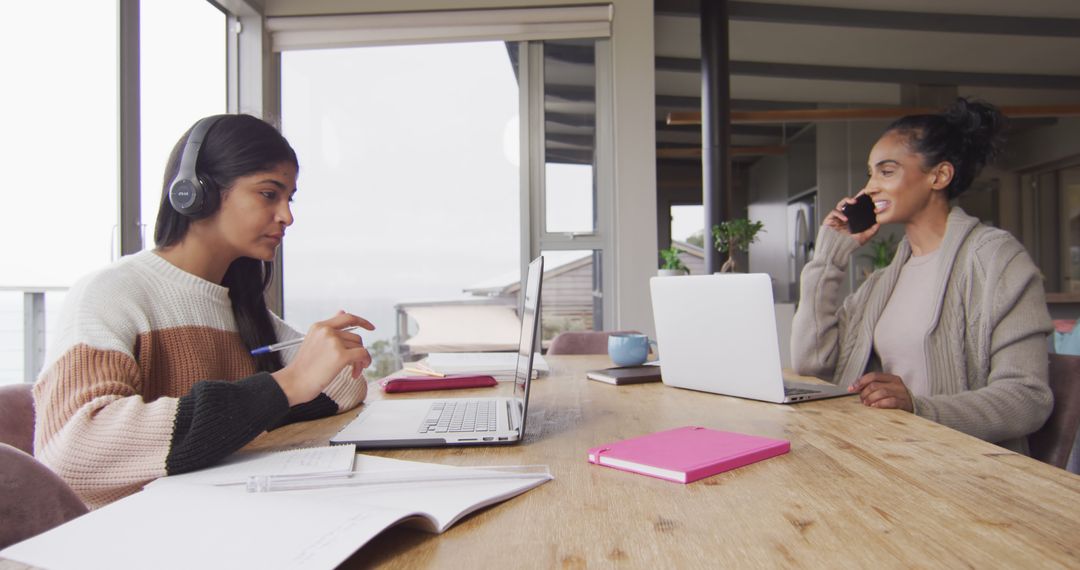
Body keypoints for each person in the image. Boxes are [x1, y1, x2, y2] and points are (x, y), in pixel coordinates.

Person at [33, 115, 374, 508]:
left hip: (223, 517)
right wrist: (282, 389)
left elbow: (345, 384)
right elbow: (77, 448)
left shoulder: (234, 305)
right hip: (135, 539)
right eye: (269, 194)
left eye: (289, 199)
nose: (287, 216)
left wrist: (266, 402)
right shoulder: (112, 293)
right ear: (196, 193)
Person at [791, 98, 1053, 454]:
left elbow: (1027, 398)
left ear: (939, 175)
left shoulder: (996, 260)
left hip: (966, 471)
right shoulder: (882, 282)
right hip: (886, 454)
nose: (869, 187)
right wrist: (828, 258)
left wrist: (919, 407)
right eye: (870, 173)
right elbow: (812, 363)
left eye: (886, 171)